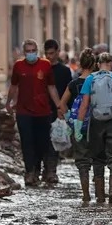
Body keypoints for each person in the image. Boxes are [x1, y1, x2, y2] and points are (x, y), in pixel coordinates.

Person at [75, 52, 112, 204]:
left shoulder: (90, 79)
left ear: (98, 64)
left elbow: (84, 105)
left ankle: (100, 196)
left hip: (96, 122)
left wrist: (78, 126)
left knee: (97, 158)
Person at [8, 39, 63, 187]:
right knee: (27, 142)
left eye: (33, 51)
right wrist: (8, 102)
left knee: (42, 143)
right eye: (28, 51)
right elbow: (13, 86)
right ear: (24, 52)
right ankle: (30, 172)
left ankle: (39, 169)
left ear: (37, 51)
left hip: (42, 111)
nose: (31, 54)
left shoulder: (45, 65)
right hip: (23, 110)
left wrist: (59, 105)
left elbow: (51, 87)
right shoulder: (18, 66)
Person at [58, 48, 96, 202]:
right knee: (98, 160)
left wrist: (69, 119)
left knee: (82, 160)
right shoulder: (96, 82)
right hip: (96, 126)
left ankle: (86, 193)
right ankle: (101, 194)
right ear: (94, 64)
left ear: (80, 64)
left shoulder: (73, 84)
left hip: (78, 127)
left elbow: (62, 104)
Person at [40, 39, 72, 185]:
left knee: (55, 140)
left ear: (58, 52)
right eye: (47, 53)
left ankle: (51, 170)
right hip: (41, 109)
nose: (49, 56)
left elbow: (68, 91)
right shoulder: (41, 69)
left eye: (52, 53)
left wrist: (65, 110)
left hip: (57, 110)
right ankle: (43, 169)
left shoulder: (64, 71)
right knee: (42, 140)